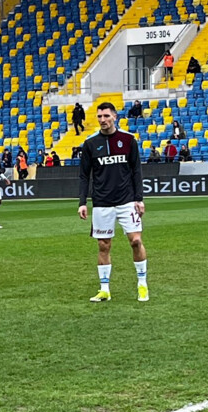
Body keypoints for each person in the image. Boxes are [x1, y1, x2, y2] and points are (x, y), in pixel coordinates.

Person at [77, 101, 148, 303]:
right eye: (99, 116)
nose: (103, 120)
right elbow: (84, 175)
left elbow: (136, 170)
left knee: (136, 241)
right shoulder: (90, 144)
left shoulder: (128, 140)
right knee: (103, 245)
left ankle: (142, 284)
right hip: (102, 203)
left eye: (106, 116)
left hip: (127, 201)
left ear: (115, 117)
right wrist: (82, 202)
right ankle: (104, 289)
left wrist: (139, 198)